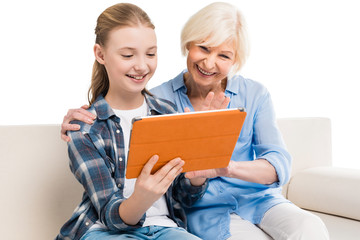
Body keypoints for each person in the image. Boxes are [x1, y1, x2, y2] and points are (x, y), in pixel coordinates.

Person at [61, 2, 329, 240]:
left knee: (310, 227)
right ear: (188, 44)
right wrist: (79, 117)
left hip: (252, 201)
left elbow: (278, 161)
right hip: (197, 215)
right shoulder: (162, 102)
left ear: (235, 60)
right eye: (203, 48)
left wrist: (221, 167)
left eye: (224, 55)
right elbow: (117, 104)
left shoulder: (250, 94)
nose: (210, 63)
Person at [56, 3, 208, 240]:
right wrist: (141, 198)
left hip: (165, 228)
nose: (141, 65)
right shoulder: (84, 127)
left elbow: (183, 197)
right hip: (104, 231)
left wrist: (197, 177)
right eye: (128, 55)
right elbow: (110, 215)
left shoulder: (166, 112)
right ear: (100, 54)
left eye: (150, 53)